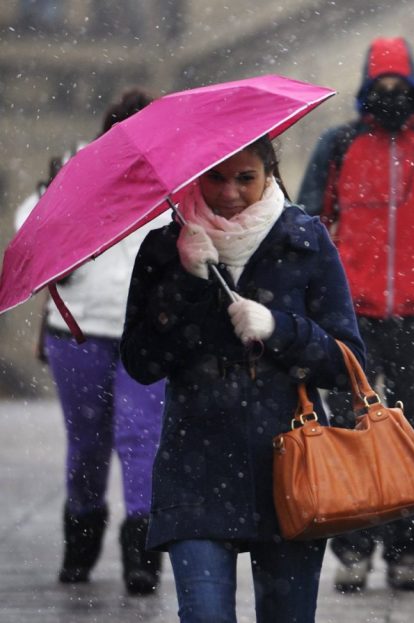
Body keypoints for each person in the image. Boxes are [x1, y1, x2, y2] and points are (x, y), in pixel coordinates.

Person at [120, 135, 365, 622]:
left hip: (291, 466)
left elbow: (346, 363)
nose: (229, 192)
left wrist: (280, 330)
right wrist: (190, 283)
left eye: (245, 178)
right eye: (216, 177)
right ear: (196, 176)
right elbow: (141, 362)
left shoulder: (305, 239)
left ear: (268, 174)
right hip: (196, 467)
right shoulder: (166, 246)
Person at [298, 36, 414, 592]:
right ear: (365, 88)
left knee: (413, 433)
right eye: (380, 85)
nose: (389, 95)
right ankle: (353, 552)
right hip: (350, 319)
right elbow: (311, 222)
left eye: (398, 86)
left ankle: (406, 555)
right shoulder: (338, 146)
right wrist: (330, 283)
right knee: (348, 432)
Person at [29, 88, 169, 595]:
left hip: (145, 334)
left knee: (142, 441)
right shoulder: (74, 171)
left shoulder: (176, 181)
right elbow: (32, 228)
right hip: (79, 333)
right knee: (88, 445)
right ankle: (81, 547)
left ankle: (142, 556)